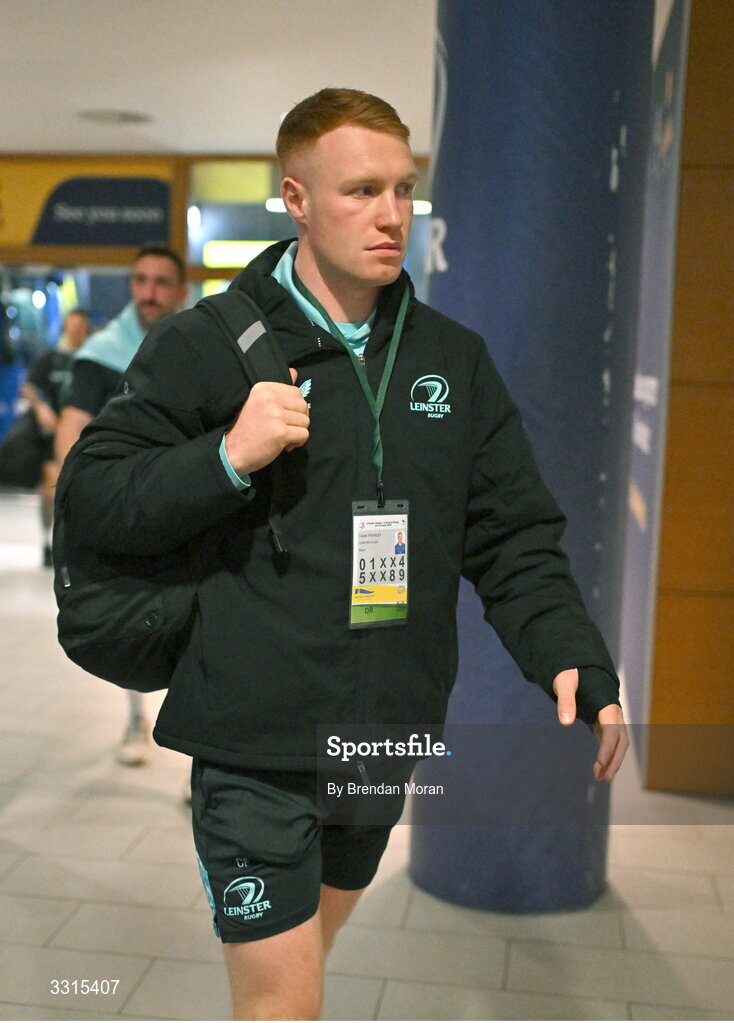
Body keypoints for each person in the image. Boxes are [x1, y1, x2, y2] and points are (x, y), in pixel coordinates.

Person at [61, 89, 628, 1019]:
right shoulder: (206, 345)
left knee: (299, 969)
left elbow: (513, 534)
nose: (393, 214)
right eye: (362, 190)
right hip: (251, 738)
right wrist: (227, 457)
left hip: (380, 738)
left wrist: (571, 650)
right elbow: (95, 494)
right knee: (287, 1004)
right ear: (294, 199)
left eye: (404, 189)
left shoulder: (453, 359)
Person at [56, 245, 188, 768]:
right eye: (139, 281)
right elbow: (72, 436)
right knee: (139, 622)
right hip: (127, 514)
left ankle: (190, 750)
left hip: (189, 508)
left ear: (179, 290)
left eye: (160, 282)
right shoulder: (102, 354)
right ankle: (137, 720)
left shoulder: (197, 349)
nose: (149, 292)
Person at [21, 308, 91, 566]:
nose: (76, 332)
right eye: (72, 326)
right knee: (50, 487)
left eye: (81, 327)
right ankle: (47, 541)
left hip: (83, 435)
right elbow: (29, 387)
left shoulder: (92, 360)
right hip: (52, 434)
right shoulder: (49, 358)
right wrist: (40, 408)